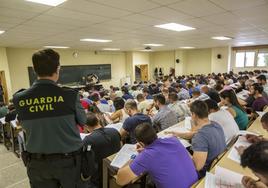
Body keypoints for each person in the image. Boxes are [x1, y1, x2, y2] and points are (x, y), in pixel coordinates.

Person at [13, 49, 87, 188]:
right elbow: (83, 121)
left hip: (37, 164)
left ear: (35, 70)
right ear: (58, 69)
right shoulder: (70, 95)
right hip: (69, 163)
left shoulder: (19, 98)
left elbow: (22, 124)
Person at [116, 123, 198, 188]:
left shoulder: (146, 156)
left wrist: (135, 156)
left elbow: (120, 180)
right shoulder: (174, 140)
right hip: (196, 184)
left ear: (140, 143)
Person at [83, 112, 121, 188]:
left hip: (100, 177)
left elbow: (86, 160)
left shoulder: (89, 140)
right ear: (98, 120)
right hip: (117, 168)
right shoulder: (114, 131)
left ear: (86, 126)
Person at [190, 100, 226, 178]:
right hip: (219, 164)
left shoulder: (200, 137)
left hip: (206, 173)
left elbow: (197, 167)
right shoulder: (216, 124)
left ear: (193, 115)